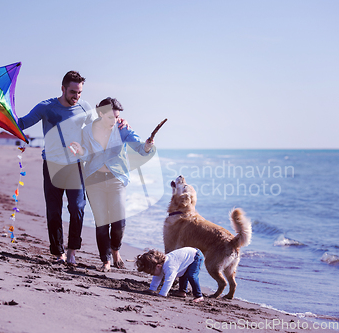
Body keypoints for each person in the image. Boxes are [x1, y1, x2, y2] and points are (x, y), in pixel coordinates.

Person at [18, 71, 127, 265]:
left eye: (79, 92)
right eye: (72, 92)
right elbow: (23, 123)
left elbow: (100, 123)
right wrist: (5, 114)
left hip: (75, 165)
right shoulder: (46, 107)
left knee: (77, 207)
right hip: (52, 165)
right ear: (63, 88)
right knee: (54, 210)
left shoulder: (84, 107)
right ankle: (58, 252)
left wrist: (119, 121)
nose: (76, 96)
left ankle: (72, 251)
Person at [70, 97, 155, 272]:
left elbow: (140, 148)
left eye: (116, 117)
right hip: (94, 180)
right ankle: (105, 261)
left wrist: (147, 145)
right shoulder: (88, 131)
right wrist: (80, 151)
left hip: (116, 179)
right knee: (101, 223)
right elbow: (86, 155)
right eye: (110, 117)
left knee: (119, 222)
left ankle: (116, 250)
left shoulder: (122, 129)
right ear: (100, 113)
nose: (114, 121)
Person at [135, 247, 204, 302]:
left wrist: (162, 294)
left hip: (196, 256)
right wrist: (152, 289)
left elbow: (169, 280)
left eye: (151, 273)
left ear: (158, 266)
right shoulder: (160, 265)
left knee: (191, 275)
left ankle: (199, 296)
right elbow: (157, 277)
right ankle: (182, 292)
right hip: (187, 256)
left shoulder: (170, 267)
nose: (151, 275)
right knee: (183, 274)